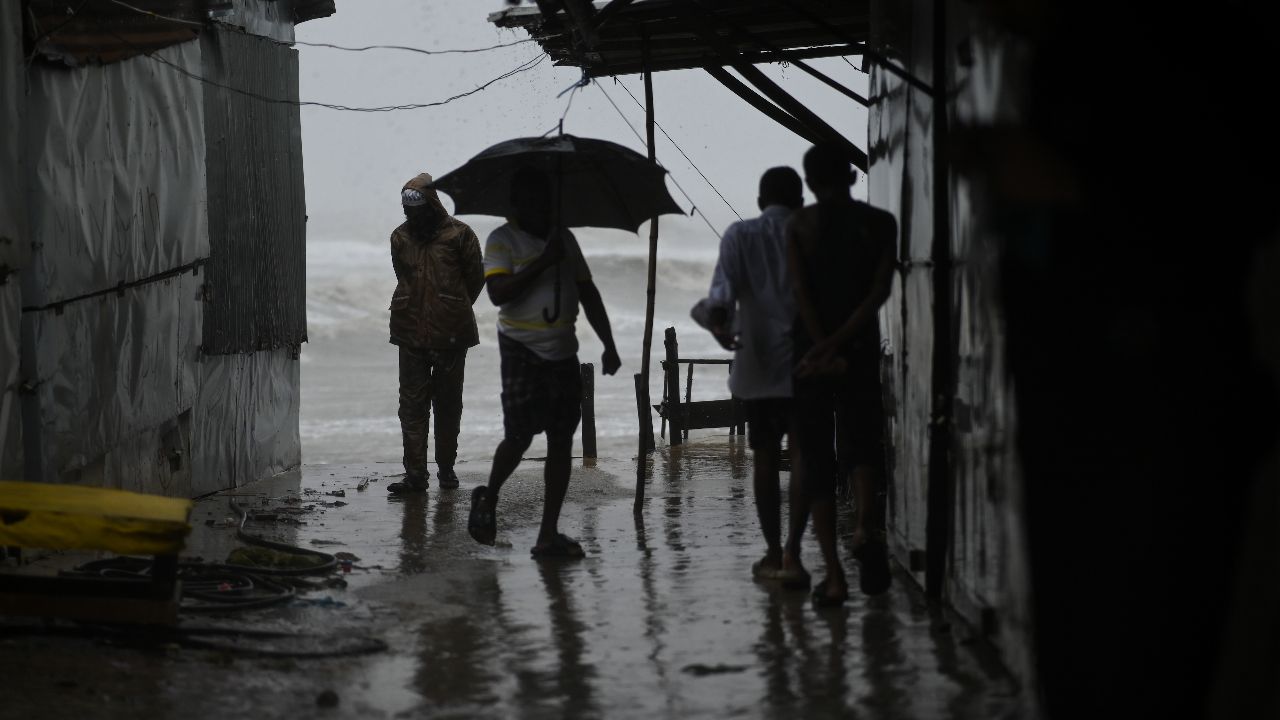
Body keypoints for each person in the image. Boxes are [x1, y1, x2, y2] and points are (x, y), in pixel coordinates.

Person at [468, 166, 621, 557]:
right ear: (519, 204)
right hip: (521, 349)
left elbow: (588, 292)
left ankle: (547, 533)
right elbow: (499, 293)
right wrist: (543, 262)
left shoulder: (563, 238)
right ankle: (488, 498)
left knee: (560, 441)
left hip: (563, 353)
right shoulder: (502, 239)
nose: (543, 209)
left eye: (547, 202)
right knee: (519, 437)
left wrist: (609, 343)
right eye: (535, 202)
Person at [787, 142, 897, 605]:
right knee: (862, 442)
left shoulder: (800, 225)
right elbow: (878, 292)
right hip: (859, 350)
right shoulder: (880, 223)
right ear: (852, 177)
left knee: (815, 457)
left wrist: (820, 345)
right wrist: (843, 342)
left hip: (811, 356)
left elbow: (801, 295)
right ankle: (865, 528)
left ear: (810, 183)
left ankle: (833, 576)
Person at [696, 166, 812, 587]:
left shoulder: (739, 235)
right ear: (799, 200)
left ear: (761, 201)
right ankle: (794, 553)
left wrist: (718, 326)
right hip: (807, 359)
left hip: (758, 363)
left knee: (764, 458)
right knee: (803, 455)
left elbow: (721, 297)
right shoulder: (809, 232)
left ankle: (770, 552)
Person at [386, 173, 485, 494]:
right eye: (406, 210)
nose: (410, 216)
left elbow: (475, 280)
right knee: (411, 406)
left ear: (432, 205)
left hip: (451, 334)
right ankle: (415, 475)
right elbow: (403, 276)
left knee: (447, 404)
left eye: (416, 209)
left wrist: (450, 306)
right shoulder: (399, 237)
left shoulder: (461, 234)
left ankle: (446, 469)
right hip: (409, 331)